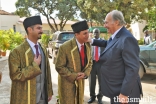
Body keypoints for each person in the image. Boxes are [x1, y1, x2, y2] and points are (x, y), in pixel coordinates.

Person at [90, 10, 143, 104]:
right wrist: (92, 41)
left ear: (116, 22)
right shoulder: (117, 36)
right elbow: (109, 44)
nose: (104, 25)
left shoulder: (127, 39)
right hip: (116, 90)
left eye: (106, 22)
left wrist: (124, 93)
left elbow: (132, 69)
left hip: (125, 94)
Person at [8, 16, 53, 104]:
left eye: (41, 28)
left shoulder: (43, 48)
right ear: (29, 29)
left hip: (42, 97)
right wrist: (34, 66)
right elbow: (15, 75)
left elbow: (47, 72)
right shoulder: (17, 52)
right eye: (38, 28)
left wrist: (49, 90)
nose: (42, 31)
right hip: (25, 98)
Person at [55, 20, 92, 104]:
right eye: (84, 33)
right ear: (76, 35)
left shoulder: (88, 45)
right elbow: (59, 66)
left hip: (80, 82)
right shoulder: (65, 47)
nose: (87, 36)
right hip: (67, 84)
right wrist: (74, 76)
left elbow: (90, 62)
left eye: (88, 33)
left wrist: (85, 73)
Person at [88, 28, 104, 104]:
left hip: (101, 64)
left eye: (97, 32)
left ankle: (100, 97)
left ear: (99, 33)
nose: (95, 34)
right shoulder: (90, 42)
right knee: (92, 81)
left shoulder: (103, 42)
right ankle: (92, 96)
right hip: (92, 64)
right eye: (94, 32)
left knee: (101, 82)